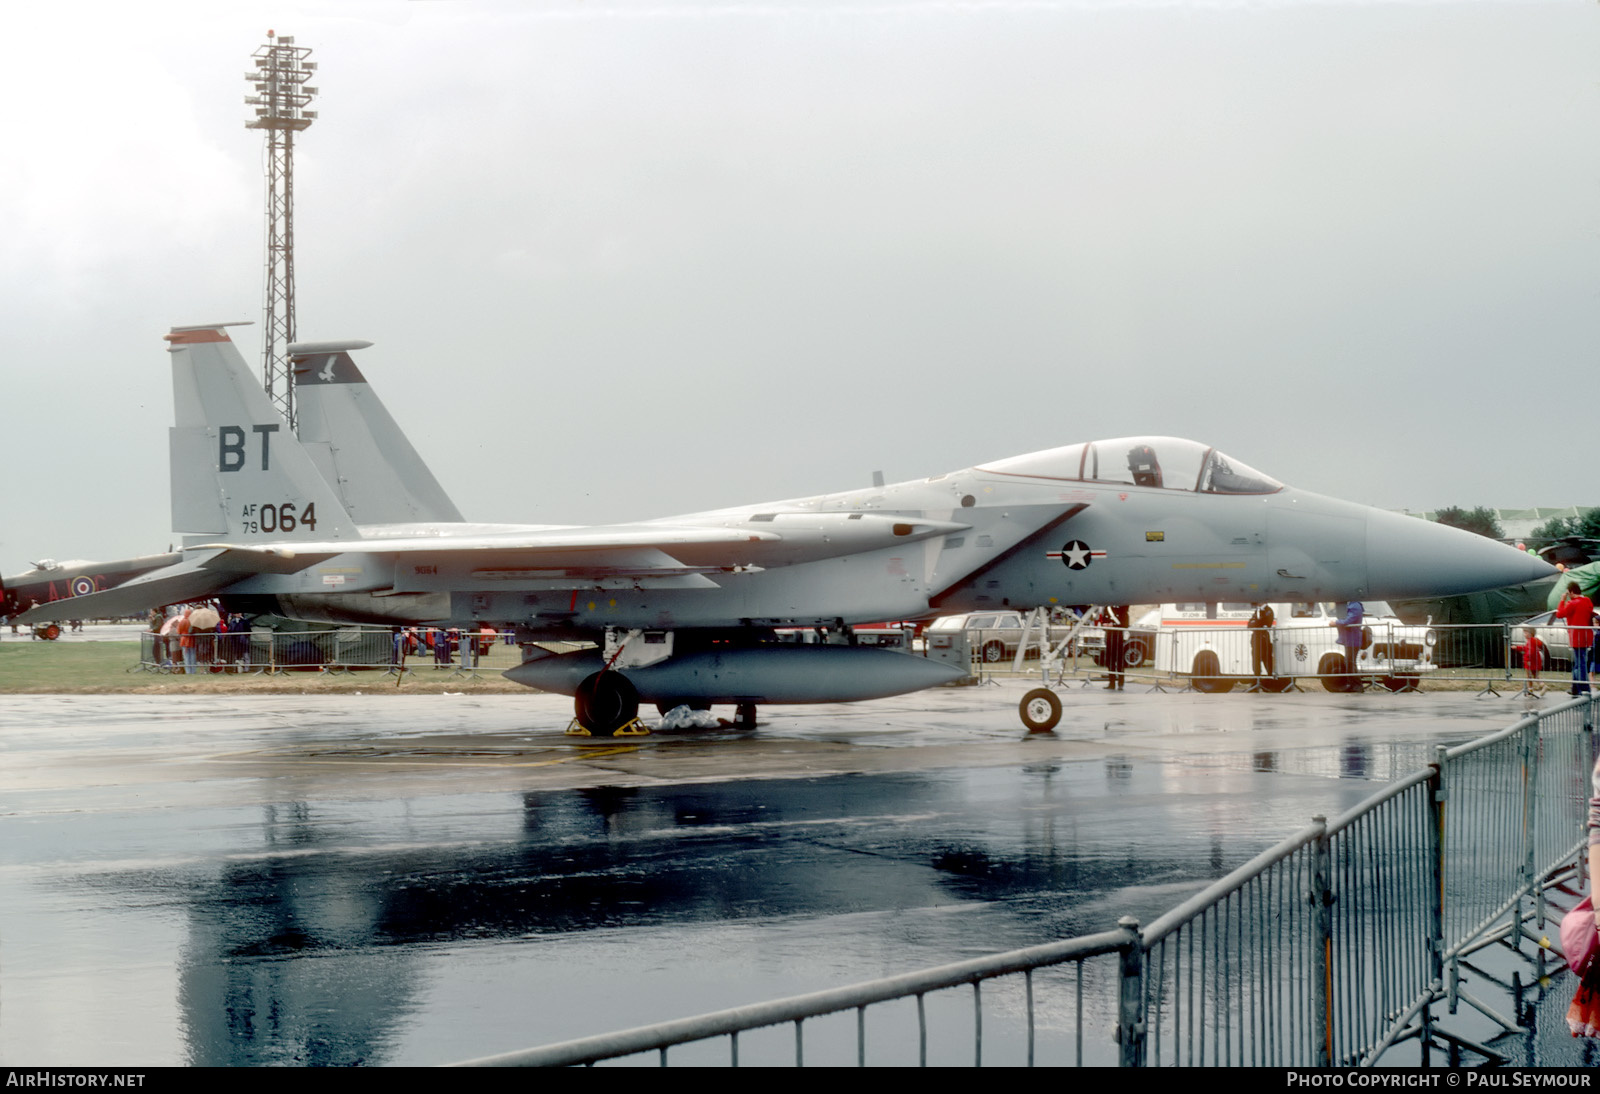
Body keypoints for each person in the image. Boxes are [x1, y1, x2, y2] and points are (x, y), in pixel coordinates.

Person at [1556, 585, 1594, 696]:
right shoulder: (1587, 601)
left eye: (1568, 593)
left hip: (1576, 636)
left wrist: (1562, 600)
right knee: (1578, 662)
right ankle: (1575, 687)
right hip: (1586, 635)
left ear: (1572, 592)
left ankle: (1583, 688)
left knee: (1580, 663)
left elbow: (1560, 614)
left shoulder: (1572, 603)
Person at [1333, 601, 1364, 686]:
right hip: (1351, 640)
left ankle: (1357, 685)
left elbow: (1349, 620)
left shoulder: (1355, 606)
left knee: (1350, 663)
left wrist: (1336, 622)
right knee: (1349, 663)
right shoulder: (1354, 605)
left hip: (1352, 640)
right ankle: (1354, 684)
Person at [1103, 605, 1129, 690]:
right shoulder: (1107, 608)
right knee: (1110, 661)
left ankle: (1121, 683)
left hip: (1118, 638)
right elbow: (1104, 621)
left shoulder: (1122, 609)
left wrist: (1113, 625)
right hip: (1110, 637)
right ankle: (1111, 683)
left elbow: (1125, 624)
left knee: (1119, 662)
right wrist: (1105, 625)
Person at [1248, 603, 1276, 682]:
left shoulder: (1268, 611)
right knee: (1255, 662)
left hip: (1264, 639)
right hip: (1255, 639)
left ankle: (1271, 683)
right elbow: (1249, 624)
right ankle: (1256, 682)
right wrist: (1257, 623)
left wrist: (1256, 622)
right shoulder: (1257, 611)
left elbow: (1266, 622)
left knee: (1267, 661)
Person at [1516, 627, 1547, 696]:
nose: (1524, 634)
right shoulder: (1533, 641)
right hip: (1536, 661)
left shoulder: (1530, 641)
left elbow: (1530, 651)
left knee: (1529, 676)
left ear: (1531, 633)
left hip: (1530, 661)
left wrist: (1527, 660)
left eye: (1526, 632)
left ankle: (1530, 690)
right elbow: (1526, 648)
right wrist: (1517, 647)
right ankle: (1542, 685)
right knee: (1536, 676)